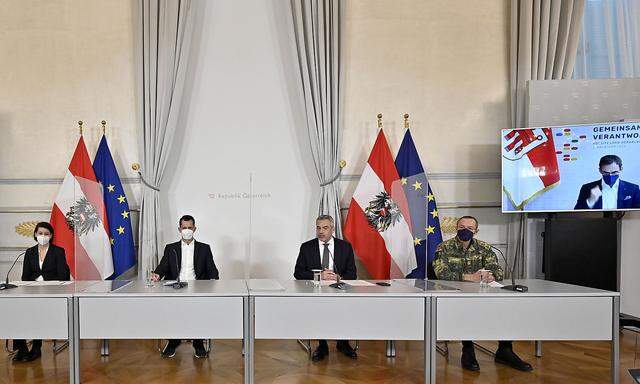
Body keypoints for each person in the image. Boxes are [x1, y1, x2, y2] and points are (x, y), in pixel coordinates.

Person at [433, 216, 533, 373]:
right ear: (456, 228)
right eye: (461, 227)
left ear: (476, 231)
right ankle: (467, 350)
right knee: (466, 309)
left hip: (482, 293)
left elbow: (498, 270)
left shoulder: (484, 248)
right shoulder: (443, 247)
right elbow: (441, 273)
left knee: (507, 306)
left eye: (470, 228)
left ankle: (505, 350)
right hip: (455, 295)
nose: (465, 230)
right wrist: (469, 277)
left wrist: (491, 275)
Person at [151, 215, 219, 358]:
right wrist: (157, 274)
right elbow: (162, 267)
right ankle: (173, 341)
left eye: (189, 228)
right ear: (179, 229)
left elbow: (212, 270)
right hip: (175, 288)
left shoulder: (205, 248)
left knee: (199, 312)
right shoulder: (171, 248)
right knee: (172, 312)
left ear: (195, 229)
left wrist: (213, 279)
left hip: (198, 289)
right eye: (184, 228)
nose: (187, 230)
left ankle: (198, 342)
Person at [294, 215, 358, 361]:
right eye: (318, 228)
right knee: (318, 309)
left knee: (346, 308)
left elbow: (352, 274)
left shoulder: (345, 247)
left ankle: (343, 343)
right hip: (316, 292)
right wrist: (319, 275)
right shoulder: (307, 247)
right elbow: (298, 273)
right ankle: (322, 345)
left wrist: (338, 278)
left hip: (340, 291)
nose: (321, 231)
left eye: (325, 227)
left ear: (333, 229)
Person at [13, 222, 70, 363]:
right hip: (32, 292)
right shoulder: (29, 252)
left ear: (51, 236)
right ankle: (21, 349)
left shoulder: (58, 251)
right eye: (40, 233)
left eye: (46, 234)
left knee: (36, 311)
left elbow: (63, 276)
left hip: (51, 293)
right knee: (16, 310)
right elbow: (25, 277)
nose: (43, 236)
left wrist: (44, 281)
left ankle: (36, 348)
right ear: (35, 234)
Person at [574, 155, 640, 210]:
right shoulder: (588, 188)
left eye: (614, 172)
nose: (610, 176)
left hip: (624, 224)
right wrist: (591, 200)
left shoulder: (633, 188)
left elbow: (637, 212)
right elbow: (578, 212)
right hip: (596, 223)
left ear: (621, 169)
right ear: (600, 170)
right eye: (606, 173)